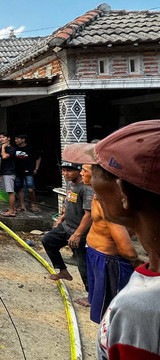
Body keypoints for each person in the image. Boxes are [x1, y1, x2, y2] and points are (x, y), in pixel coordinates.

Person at [62, 120, 160, 359]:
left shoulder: (140, 311)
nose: (90, 179)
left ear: (122, 192)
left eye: (95, 172)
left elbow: (126, 248)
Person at [74, 163, 142, 321]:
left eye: (85, 171)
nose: (81, 173)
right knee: (103, 306)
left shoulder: (109, 202)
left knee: (113, 313)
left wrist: (136, 261)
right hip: (95, 253)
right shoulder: (96, 195)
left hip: (109, 260)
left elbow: (125, 248)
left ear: (98, 176)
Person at [41, 161, 92, 297]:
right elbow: (69, 203)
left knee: (83, 266)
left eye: (68, 171)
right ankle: (63, 271)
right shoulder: (70, 184)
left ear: (79, 171)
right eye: (63, 170)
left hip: (80, 233)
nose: (65, 173)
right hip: (66, 227)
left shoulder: (86, 189)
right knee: (48, 241)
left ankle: (91, 296)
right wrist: (61, 218)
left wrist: (77, 234)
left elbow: (89, 214)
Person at [14, 134, 42, 213]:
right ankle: (22, 205)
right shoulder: (14, 148)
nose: (16, 140)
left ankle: (32, 203)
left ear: (23, 140)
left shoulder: (31, 148)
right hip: (18, 171)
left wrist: (36, 168)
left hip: (29, 171)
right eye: (15, 139)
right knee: (19, 188)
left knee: (30, 189)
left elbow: (38, 157)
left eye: (17, 139)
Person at [0, 132, 18, 217]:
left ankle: (12, 211)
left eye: (3, 137)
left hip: (10, 172)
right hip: (4, 172)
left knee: (10, 192)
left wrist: (3, 147)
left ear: (8, 138)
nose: (1, 139)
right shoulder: (2, 148)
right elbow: (1, 160)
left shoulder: (12, 149)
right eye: (0, 137)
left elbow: (4, 157)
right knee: (8, 191)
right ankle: (12, 208)